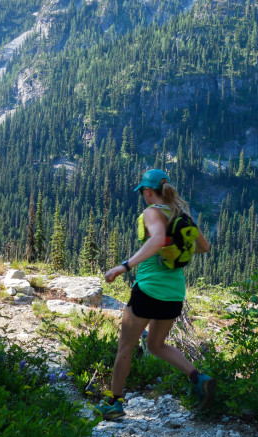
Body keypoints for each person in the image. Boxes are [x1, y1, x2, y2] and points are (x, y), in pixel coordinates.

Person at [95, 169, 214, 420]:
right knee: (156, 345)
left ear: (148, 192)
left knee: (125, 346)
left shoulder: (152, 211)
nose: (142, 197)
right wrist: (176, 248)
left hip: (148, 289)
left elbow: (158, 239)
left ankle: (115, 402)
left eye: (142, 192)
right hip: (173, 294)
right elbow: (204, 247)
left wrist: (124, 266)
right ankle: (198, 377)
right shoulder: (182, 214)